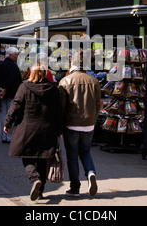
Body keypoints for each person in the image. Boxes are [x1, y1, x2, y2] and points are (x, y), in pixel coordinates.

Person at [4, 63, 63, 201]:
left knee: (27, 157)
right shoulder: (53, 88)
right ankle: (40, 191)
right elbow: (58, 111)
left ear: (31, 73)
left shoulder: (24, 87)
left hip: (27, 129)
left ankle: (34, 178)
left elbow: (15, 105)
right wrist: (59, 129)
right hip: (47, 129)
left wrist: (8, 123)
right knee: (43, 159)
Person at [58, 49, 102, 197]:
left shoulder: (65, 81)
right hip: (89, 123)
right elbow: (98, 105)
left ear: (72, 62)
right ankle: (91, 173)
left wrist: (61, 124)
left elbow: (61, 107)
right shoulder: (94, 82)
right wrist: (93, 119)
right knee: (85, 151)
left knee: (72, 155)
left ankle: (75, 188)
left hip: (71, 123)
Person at [0, 47, 22, 143]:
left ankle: (3, 136)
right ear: (11, 55)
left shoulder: (1, 64)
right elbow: (12, 80)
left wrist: (1, 89)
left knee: (4, 114)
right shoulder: (13, 66)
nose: (17, 57)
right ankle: (9, 136)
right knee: (11, 115)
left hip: (3, 93)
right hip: (11, 93)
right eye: (16, 55)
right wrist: (5, 89)